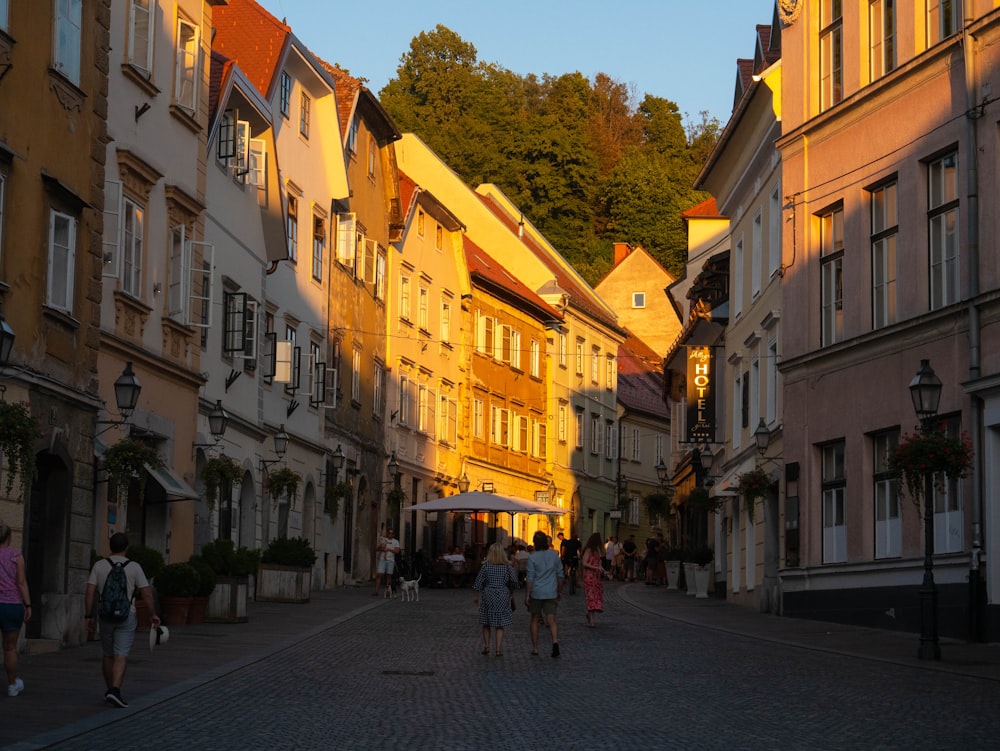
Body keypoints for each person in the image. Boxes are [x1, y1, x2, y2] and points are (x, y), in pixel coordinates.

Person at [84, 532, 161, 708]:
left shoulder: (99, 565)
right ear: (126, 547)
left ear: (110, 546)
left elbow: (89, 592)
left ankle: (110, 689)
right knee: (121, 654)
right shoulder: (134, 567)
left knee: (108, 654)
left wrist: (88, 616)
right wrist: (152, 614)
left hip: (105, 616)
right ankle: (115, 690)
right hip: (127, 615)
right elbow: (146, 593)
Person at [472, 542, 519, 656]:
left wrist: (476, 596)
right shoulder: (507, 567)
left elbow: (478, 583)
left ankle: (487, 646)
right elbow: (515, 582)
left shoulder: (486, 566)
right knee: (500, 624)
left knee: (486, 622)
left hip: (488, 594)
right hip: (503, 594)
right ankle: (498, 649)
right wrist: (510, 590)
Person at [0, 523, 31, 697]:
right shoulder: (16, 556)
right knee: (10, 648)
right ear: (9, 538)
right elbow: (21, 582)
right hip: (12, 605)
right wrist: (28, 605)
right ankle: (12, 685)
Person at [525, 529, 564, 658]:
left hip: (537, 592)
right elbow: (560, 576)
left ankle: (535, 648)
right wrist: (559, 591)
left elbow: (530, 578)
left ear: (535, 543)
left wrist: (527, 594)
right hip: (551, 592)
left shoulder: (532, 557)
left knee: (534, 619)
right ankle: (555, 641)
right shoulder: (554, 555)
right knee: (552, 620)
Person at [581, 532, 607, 627]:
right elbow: (584, 563)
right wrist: (595, 568)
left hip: (596, 577)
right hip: (589, 576)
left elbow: (599, 564)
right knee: (591, 596)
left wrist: (605, 572)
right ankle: (592, 620)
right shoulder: (588, 550)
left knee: (596, 595)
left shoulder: (597, 551)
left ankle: (590, 615)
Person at [373, 528, 401, 596]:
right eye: (389, 533)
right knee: (379, 574)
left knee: (389, 576)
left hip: (390, 560)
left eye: (392, 533)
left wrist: (388, 549)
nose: (390, 534)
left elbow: (397, 551)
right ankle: (376, 591)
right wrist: (382, 549)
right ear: (387, 533)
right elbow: (377, 549)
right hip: (382, 560)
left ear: (393, 534)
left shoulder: (396, 542)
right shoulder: (383, 540)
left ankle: (388, 591)